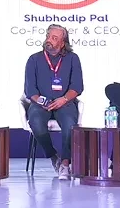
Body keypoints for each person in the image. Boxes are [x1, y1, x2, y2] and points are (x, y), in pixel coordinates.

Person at [23, 24, 83, 179]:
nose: (49, 40)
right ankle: (52, 156)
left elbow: (77, 87)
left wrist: (63, 99)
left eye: (54, 38)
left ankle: (65, 164)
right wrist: (41, 101)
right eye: (48, 36)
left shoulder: (72, 58)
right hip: (40, 103)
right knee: (36, 121)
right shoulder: (34, 59)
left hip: (65, 102)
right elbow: (30, 90)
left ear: (62, 43)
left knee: (69, 124)